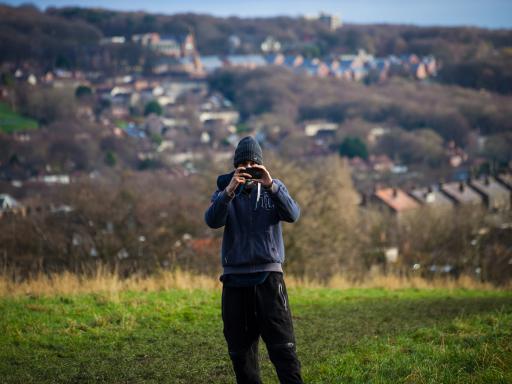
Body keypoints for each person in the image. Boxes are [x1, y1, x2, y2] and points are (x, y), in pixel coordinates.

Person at [204, 136, 304, 384]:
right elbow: (212, 220)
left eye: (253, 164)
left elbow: (292, 214)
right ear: (235, 166)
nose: (248, 168)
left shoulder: (273, 188)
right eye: (243, 164)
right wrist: (228, 191)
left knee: (283, 349)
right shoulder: (225, 191)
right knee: (241, 354)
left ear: (261, 164)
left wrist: (270, 183)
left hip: (269, 280)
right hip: (235, 281)